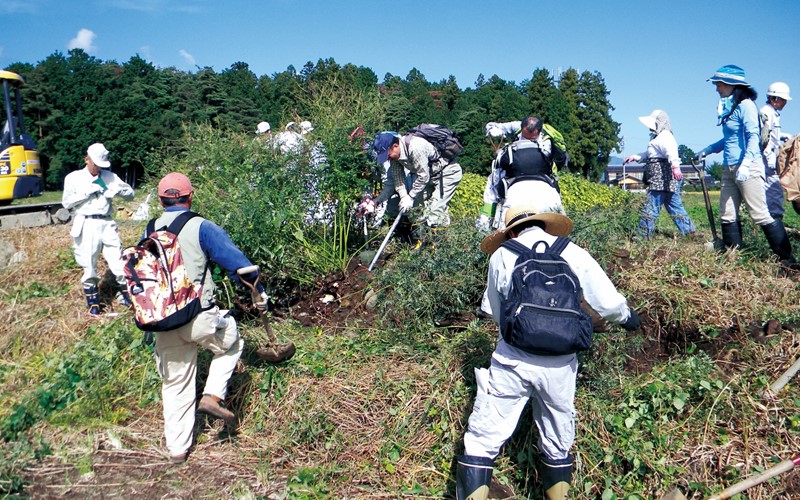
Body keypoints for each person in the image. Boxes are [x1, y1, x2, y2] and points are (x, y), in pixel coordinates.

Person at [456, 202, 641, 500]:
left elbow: (492, 310)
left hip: (512, 361)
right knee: (557, 439)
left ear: (511, 230)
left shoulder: (502, 254)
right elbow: (606, 301)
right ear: (543, 224)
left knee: (483, 439)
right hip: (561, 366)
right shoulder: (573, 251)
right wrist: (628, 318)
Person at [150, 172, 267, 464]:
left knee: (175, 384)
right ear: (190, 197)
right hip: (199, 316)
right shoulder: (202, 227)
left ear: (162, 200)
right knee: (231, 343)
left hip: (162, 322)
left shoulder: (150, 229)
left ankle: (177, 450)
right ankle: (213, 395)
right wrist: (258, 294)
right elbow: (240, 267)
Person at [695, 65, 795, 264]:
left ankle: (787, 259)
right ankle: (733, 258)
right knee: (727, 213)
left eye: (718, 84)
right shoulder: (729, 107)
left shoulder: (747, 105)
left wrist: (747, 163)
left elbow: (753, 136)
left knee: (759, 213)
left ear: (731, 84)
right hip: (729, 168)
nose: (716, 88)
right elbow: (730, 140)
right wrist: (707, 150)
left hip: (748, 167)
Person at [62, 143, 135, 316]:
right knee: (88, 263)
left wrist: (121, 191)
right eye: (96, 165)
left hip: (107, 222)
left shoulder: (110, 176)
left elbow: (131, 194)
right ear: (87, 160)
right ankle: (93, 304)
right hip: (86, 223)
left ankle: (127, 297)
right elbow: (66, 203)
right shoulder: (74, 178)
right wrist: (87, 193)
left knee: (118, 260)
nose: (98, 169)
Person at [476, 116, 567, 233]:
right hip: (548, 189)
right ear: (521, 127)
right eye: (525, 136)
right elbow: (490, 125)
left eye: (532, 137)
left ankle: (485, 225)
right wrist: (492, 129)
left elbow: (492, 192)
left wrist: (483, 227)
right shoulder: (517, 128)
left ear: (540, 131)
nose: (528, 140)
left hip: (520, 191)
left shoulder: (547, 139)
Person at [624, 109, 696, 238]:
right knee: (674, 205)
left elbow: (672, 151)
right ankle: (689, 231)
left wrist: (675, 167)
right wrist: (636, 157)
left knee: (651, 206)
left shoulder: (665, 136)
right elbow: (650, 154)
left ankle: (643, 235)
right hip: (664, 178)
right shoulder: (657, 137)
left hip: (662, 178)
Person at [372, 128, 463, 228]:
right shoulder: (394, 156)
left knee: (435, 212)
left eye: (387, 155)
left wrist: (410, 196)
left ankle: (439, 240)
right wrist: (404, 197)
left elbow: (423, 176)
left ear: (395, 146)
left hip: (447, 173)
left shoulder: (415, 147)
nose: (388, 158)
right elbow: (398, 177)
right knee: (415, 212)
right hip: (429, 176)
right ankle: (420, 238)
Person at [760, 82, 793, 220]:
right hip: (768, 160)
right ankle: (775, 221)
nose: (785, 103)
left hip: (770, 156)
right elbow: (764, 138)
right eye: (783, 100)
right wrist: (769, 159)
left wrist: (782, 135)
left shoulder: (772, 113)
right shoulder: (766, 113)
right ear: (774, 99)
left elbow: (771, 135)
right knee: (774, 191)